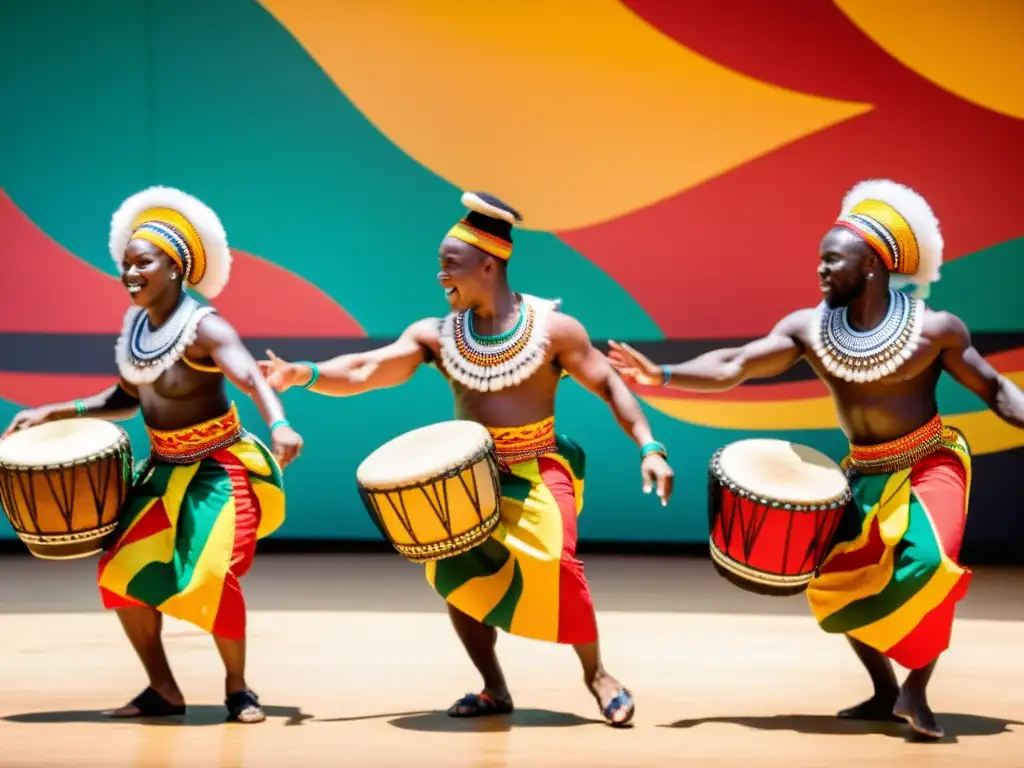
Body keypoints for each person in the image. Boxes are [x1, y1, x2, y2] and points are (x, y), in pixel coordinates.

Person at [606, 178, 1024, 740]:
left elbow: (997, 390)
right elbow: (735, 364)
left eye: (832, 260)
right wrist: (664, 374)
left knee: (932, 567)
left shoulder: (935, 329)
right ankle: (882, 690)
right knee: (837, 581)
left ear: (871, 265)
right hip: (864, 468)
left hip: (930, 461)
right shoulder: (810, 328)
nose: (821, 270)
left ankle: (916, 689)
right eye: (820, 261)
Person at [258, 191, 674, 726]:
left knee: (560, 564)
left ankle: (597, 674)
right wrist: (304, 373)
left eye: (449, 264)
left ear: (488, 263)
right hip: (470, 476)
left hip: (539, 467)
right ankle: (493, 688)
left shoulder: (553, 331)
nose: (440, 275)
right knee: (458, 574)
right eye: (439, 266)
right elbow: (366, 368)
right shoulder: (437, 334)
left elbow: (612, 386)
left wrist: (650, 446)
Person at [3, 186, 304, 724]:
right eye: (125, 264)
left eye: (143, 262)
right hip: (164, 470)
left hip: (218, 468)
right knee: (120, 571)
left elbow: (250, 375)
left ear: (176, 268)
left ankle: (239, 689)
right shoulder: (138, 328)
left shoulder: (206, 327)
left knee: (211, 574)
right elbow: (123, 399)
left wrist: (279, 422)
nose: (130, 272)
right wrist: (52, 411)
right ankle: (163, 690)